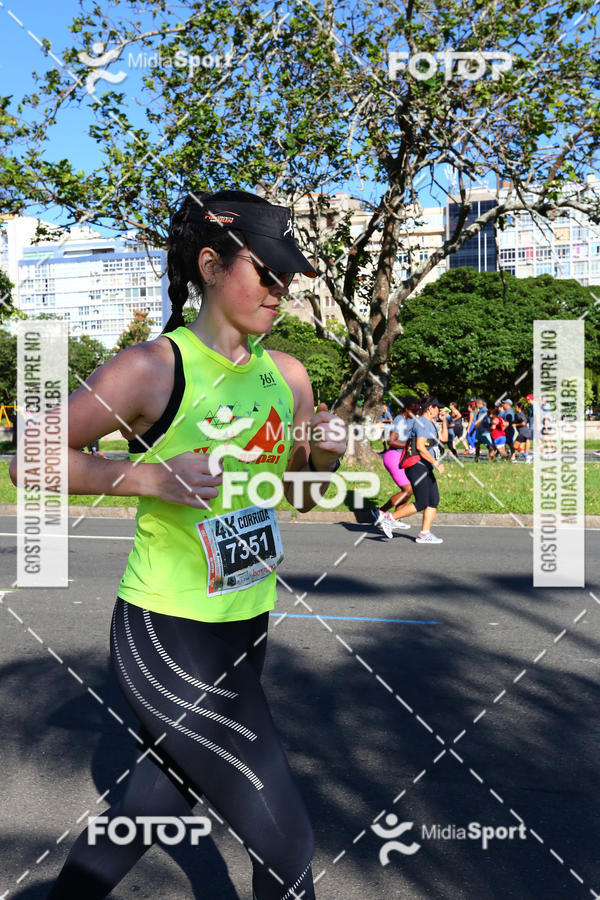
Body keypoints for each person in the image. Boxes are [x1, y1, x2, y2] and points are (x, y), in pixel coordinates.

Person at [11, 189, 347, 900]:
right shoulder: (154, 369)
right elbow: (29, 457)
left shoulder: (286, 375)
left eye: (290, 276)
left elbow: (292, 481)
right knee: (286, 840)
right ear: (212, 264)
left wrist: (324, 452)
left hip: (245, 624)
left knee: (153, 803)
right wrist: (144, 476)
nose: (282, 290)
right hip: (168, 630)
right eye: (268, 272)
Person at [384, 395, 447, 543]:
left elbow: (443, 438)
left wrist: (444, 421)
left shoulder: (429, 423)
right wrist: (436, 463)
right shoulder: (423, 423)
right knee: (422, 502)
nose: (439, 410)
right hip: (417, 466)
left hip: (425, 467)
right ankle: (389, 518)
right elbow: (419, 446)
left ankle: (424, 534)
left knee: (433, 500)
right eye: (437, 408)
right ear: (430, 408)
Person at [372, 395, 420, 537]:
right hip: (393, 457)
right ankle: (380, 511)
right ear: (407, 409)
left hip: (402, 457)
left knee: (410, 488)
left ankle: (396, 517)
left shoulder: (410, 419)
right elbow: (391, 441)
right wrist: (409, 446)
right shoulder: (399, 420)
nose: (416, 412)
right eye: (414, 409)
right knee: (408, 489)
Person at [472, 398, 494, 462]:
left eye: (476, 404)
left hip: (484, 431)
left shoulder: (483, 410)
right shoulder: (482, 410)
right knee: (477, 444)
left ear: (479, 404)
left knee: (489, 446)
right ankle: (476, 459)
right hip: (480, 430)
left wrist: (473, 430)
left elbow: (479, 421)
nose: (475, 405)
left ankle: (491, 459)